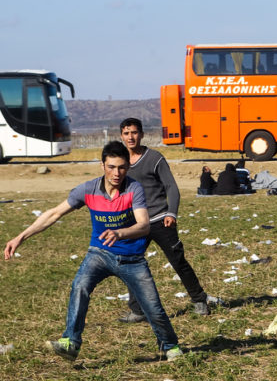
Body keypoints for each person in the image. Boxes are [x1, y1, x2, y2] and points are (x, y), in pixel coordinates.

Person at [3, 142, 182, 361]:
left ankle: (169, 346)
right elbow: (54, 213)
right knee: (80, 286)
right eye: (111, 167)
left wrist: (120, 233)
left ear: (128, 167)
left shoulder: (134, 189)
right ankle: (71, 342)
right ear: (102, 165)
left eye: (122, 167)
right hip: (99, 254)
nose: (117, 173)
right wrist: (20, 237)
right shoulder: (88, 189)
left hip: (132, 258)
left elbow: (144, 225)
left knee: (152, 306)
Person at [118, 118, 211, 322]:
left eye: (134, 132)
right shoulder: (120, 162)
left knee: (178, 261)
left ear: (141, 134)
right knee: (131, 264)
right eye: (126, 133)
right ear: (121, 136)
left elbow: (171, 187)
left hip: (161, 219)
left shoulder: (154, 158)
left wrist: (172, 213)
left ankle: (199, 299)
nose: (131, 137)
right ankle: (137, 310)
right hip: (136, 224)